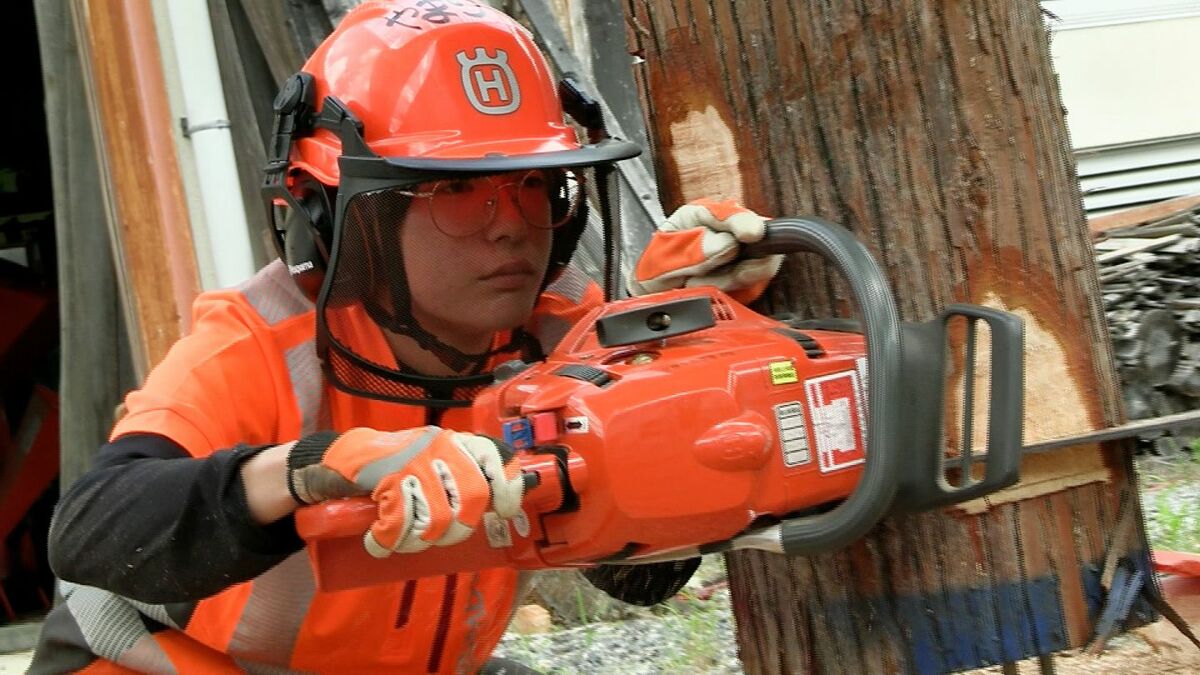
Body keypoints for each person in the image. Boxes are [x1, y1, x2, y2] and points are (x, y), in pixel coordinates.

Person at [30, 1, 781, 672]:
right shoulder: (260, 343)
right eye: (455, 189)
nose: (510, 226)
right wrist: (312, 467)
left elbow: (640, 576)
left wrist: (666, 366)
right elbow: (91, 529)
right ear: (340, 215)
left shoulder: (563, 337)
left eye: (532, 183)